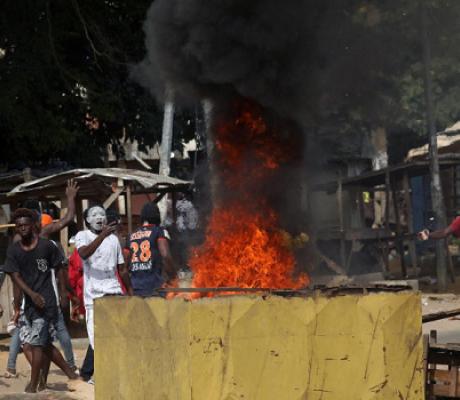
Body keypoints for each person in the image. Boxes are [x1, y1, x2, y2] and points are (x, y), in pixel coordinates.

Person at [5, 179, 79, 378]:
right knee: (41, 338)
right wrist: (71, 198)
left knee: (33, 339)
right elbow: (68, 218)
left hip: (36, 297)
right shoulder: (37, 235)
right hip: (37, 296)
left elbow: (15, 278)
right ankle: (66, 370)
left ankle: (37, 375)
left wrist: (17, 304)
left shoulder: (23, 240)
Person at [75, 205, 133, 382]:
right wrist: (102, 236)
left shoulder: (114, 240)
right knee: (96, 337)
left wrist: (129, 291)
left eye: (102, 214)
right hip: (94, 295)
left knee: (117, 333)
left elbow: (121, 269)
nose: (99, 217)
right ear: (87, 220)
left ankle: (99, 371)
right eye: (94, 215)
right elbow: (84, 254)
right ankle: (93, 372)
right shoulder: (82, 236)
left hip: (114, 292)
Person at [129, 202, 177, 297]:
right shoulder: (159, 231)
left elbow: (124, 266)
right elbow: (165, 256)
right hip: (154, 288)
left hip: (136, 289)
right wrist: (174, 278)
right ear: (157, 217)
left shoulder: (131, 235)